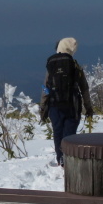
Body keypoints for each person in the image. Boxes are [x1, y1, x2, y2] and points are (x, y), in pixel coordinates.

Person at [40, 37, 94, 166]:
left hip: (54, 106)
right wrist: (88, 107)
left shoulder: (51, 66)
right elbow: (84, 88)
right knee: (70, 136)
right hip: (72, 106)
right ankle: (69, 159)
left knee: (58, 133)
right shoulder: (75, 65)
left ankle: (61, 159)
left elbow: (45, 88)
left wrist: (43, 108)